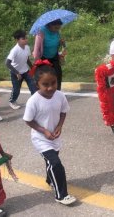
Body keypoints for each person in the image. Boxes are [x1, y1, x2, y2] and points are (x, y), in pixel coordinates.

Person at [23, 60, 76, 205]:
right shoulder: (33, 101)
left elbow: (64, 112)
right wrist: (43, 130)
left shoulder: (60, 96)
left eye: (53, 83)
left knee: (52, 163)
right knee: (55, 163)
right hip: (41, 139)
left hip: (55, 137)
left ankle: (50, 179)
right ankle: (61, 195)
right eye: (45, 84)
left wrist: (59, 126)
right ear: (37, 85)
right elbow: (28, 120)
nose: (50, 87)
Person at [6, 29, 36, 110]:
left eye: (26, 38)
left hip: (26, 71)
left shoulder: (27, 47)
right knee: (16, 89)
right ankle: (12, 101)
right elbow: (7, 63)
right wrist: (16, 73)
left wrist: (33, 68)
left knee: (33, 86)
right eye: (23, 39)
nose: (26, 40)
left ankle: (35, 101)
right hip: (15, 73)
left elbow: (27, 59)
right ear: (17, 40)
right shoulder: (14, 50)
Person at [33, 19, 66, 91]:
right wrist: (36, 62)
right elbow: (36, 49)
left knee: (57, 75)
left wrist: (62, 43)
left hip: (54, 57)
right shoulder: (41, 32)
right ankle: (43, 93)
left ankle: (57, 94)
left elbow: (60, 44)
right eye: (56, 28)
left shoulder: (57, 32)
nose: (57, 30)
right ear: (50, 25)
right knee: (44, 77)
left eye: (59, 28)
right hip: (44, 58)